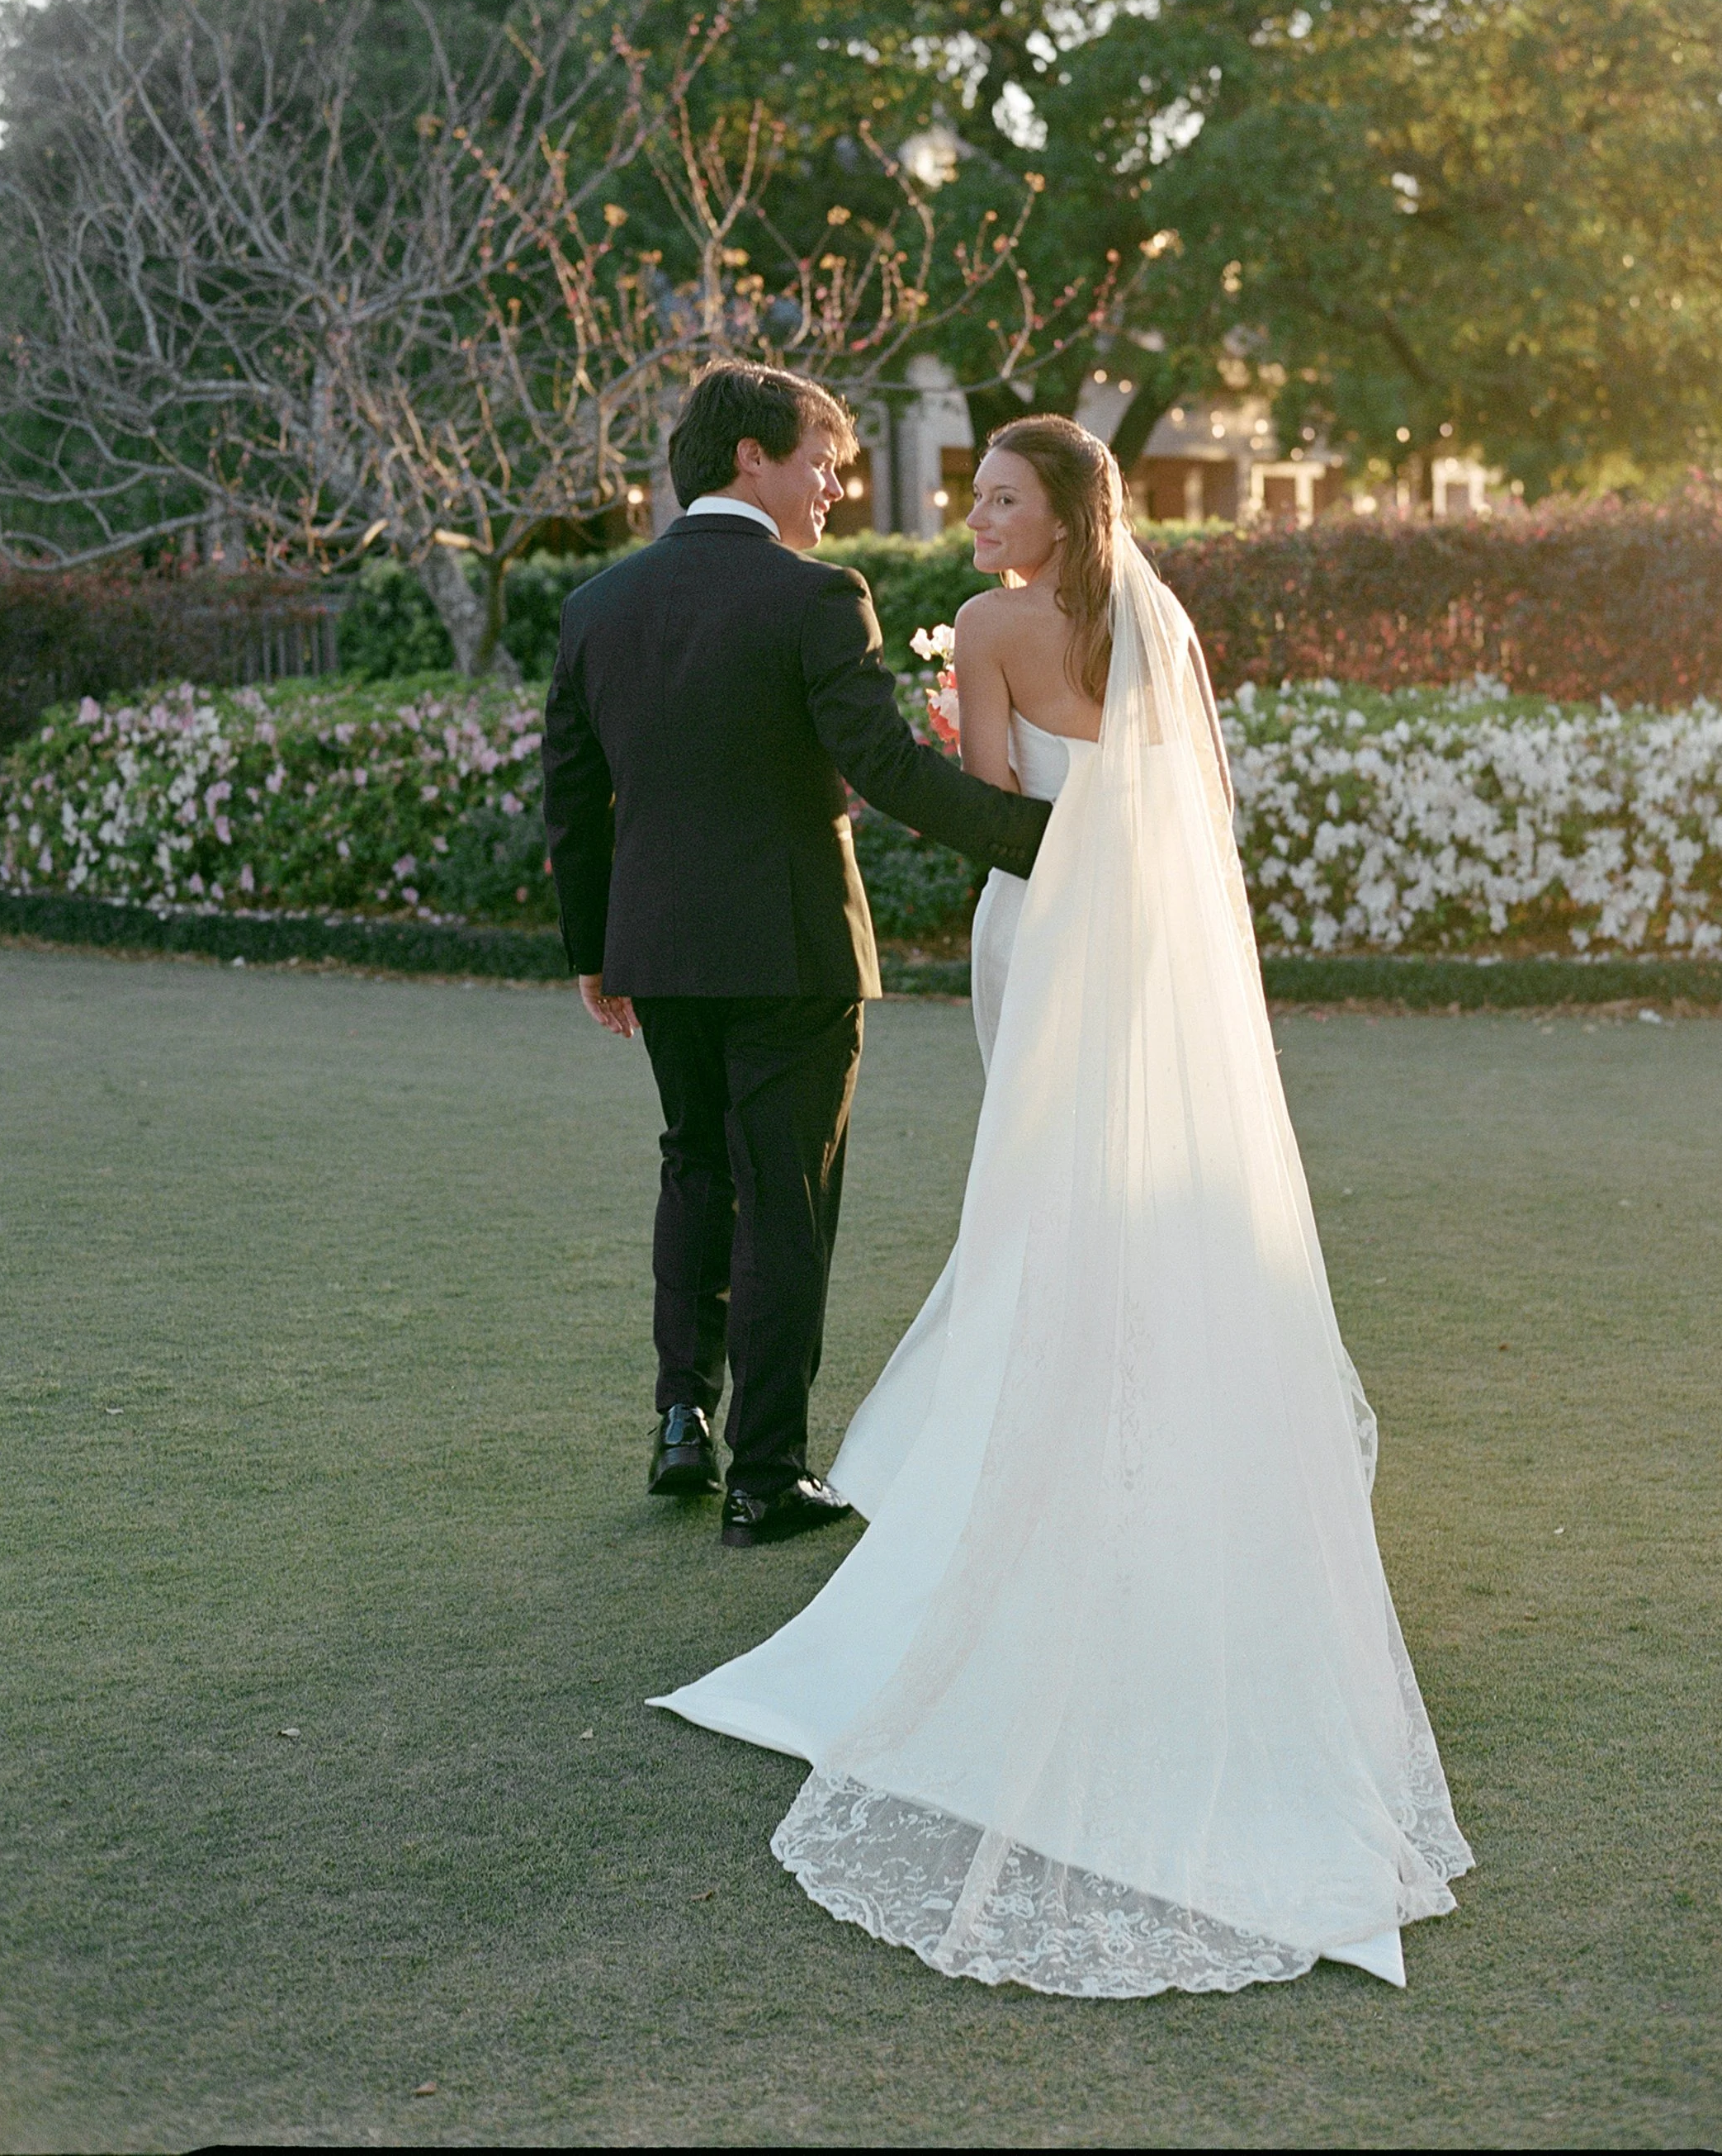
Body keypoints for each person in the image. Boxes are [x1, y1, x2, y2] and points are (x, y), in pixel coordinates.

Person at [650, 415, 1474, 1997]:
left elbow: (983, 800)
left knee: (1038, 1202)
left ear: (1058, 512)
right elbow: (1183, 818)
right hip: (1149, 946)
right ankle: (1150, 1445)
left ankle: (1046, 1460)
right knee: (1146, 1194)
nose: (972, 517)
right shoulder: (1152, 629)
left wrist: (996, 763)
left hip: (1041, 928)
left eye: (998, 497)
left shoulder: (989, 628)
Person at [540, 361, 1053, 1549]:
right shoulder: (817, 594)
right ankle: (764, 1475)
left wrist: (593, 949)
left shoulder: (597, 606)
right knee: (788, 1198)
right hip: (794, 947)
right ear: (748, 457)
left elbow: (572, 799)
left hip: (657, 945)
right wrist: (1049, 836)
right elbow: (884, 767)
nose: (836, 479)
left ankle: (681, 1420)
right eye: (820, 455)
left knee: (694, 1166)